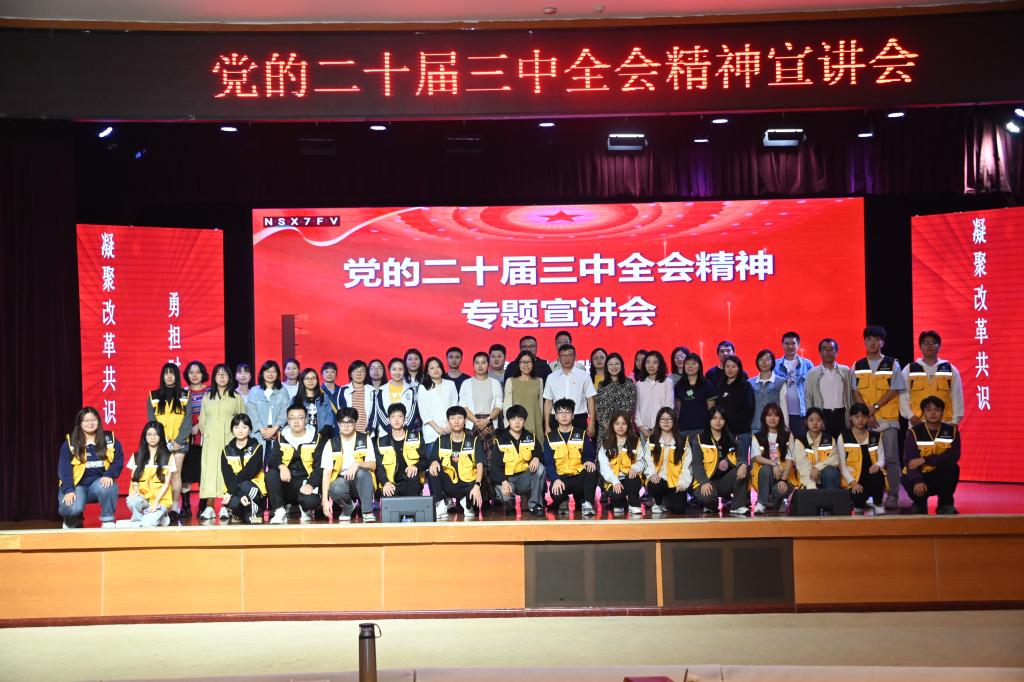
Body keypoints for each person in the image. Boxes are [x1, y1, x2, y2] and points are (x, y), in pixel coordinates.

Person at [852, 325, 906, 509]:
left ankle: (893, 495)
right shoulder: (857, 365)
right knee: (868, 459)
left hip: (888, 420)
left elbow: (894, 389)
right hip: (865, 422)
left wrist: (874, 408)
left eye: (876, 339)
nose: (872, 343)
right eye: (868, 339)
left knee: (891, 459)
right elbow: (855, 392)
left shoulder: (892, 364)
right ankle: (872, 493)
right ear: (864, 342)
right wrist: (866, 415)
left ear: (882, 342)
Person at [58, 407, 124, 529]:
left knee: (109, 485)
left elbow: (118, 460)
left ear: (98, 421)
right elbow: (64, 469)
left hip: (98, 486)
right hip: (76, 487)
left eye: (93, 420)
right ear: (80, 423)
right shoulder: (70, 443)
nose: (90, 423)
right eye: (86, 420)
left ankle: (107, 520)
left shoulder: (109, 439)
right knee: (72, 509)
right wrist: (68, 490)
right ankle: (69, 522)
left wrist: (109, 474)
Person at [265, 403, 330, 524]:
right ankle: (279, 511)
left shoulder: (317, 438)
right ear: (288, 420)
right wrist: (282, 467)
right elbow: (273, 459)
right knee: (271, 475)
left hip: (306, 481)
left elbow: (320, 467)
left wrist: (310, 484)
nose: (296, 421)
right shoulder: (282, 437)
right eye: (292, 418)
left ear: (306, 419)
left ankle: (305, 509)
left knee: (310, 501)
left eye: (300, 417)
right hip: (287, 481)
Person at [198, 363, 245, 521]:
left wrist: (237, 437)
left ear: (230, 377)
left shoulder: (236, 397)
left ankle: (225, 506)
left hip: (230, 441)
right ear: (214, 377)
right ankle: (209, 507)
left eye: (225, 374)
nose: (222, 377)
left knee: (228, 473)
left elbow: (242, 419)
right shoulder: (207, 397)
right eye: (219, 374)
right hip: (211, 441)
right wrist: (208, 434)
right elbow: (203, 420)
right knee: (210, 473)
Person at [146, 362, 191, 521]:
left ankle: (174, 507)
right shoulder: (153, 396)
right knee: (161, 475)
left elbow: (188, 421)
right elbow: (152, 421)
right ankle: (158, 506)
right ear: (162, 376)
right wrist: (162, 441)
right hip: (160, 443)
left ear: (177, 376)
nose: (169, 376)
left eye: (172, 373)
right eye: (166, 373)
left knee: (176, 474)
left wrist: (178, 441)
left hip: (180, 443)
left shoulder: (185, 395)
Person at [903, 396, 961, 515]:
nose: (933, 413)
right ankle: (919, 504)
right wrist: (918, 480)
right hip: (918, 475)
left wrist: (925, 459)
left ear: (942, 412)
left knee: (952, 468)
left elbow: (953, 457)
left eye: (937, 409)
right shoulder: (913, 432)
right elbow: (910, 461)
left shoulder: (952, 431)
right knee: (912, 482)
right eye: (928, 410)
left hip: (938, 474)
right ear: (923, 413)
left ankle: (945, 505)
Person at [542, 398, 598, 516]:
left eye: (567, 412)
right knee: (557, 495)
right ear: (555, 416)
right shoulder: (549, 437)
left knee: (592, 470)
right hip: (561, 479)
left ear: (573, 415)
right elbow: (549, 463)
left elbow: (588, 453)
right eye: (560, 412)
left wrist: (588, 460)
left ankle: (587, 503)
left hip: (578, 477)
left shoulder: (581, 434)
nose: (564, 415)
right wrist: (555, 479)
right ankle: (563, 500)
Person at [690, 405, 750, 516]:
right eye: (714, 418)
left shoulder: (732, 438)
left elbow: (741, 454)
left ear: (725, 420)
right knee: (708, 497)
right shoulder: (700, 439)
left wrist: (743, 464)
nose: (718, 421)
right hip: (706, 480)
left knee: (744, 469)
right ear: (709, 420)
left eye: (721, 418)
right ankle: (711, 506)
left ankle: (737, 506)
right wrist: (704, 482)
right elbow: (697, 464)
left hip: (724, 481)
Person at [427, 406, 485, 520]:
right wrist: (433, 462)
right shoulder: (441, 440)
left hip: (468, 485)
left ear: (465, 420)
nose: (456, 421)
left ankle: (466, 502)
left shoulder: (474, 440)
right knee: (432, 470)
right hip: (450, 484)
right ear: (448, 421)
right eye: (453, 418)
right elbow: (433, 459)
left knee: (472, 510)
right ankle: (441, 505)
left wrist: (477, 486)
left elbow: (480, 464)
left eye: (460, 418)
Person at [321, 408, 378, 523]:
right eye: (343, 422)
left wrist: (357, 464)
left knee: (362, 472)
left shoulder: (365, 439)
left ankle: (367, 511)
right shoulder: (331, 443)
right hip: (342, 482)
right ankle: (348, 507)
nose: (346, 425)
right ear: (338, 424)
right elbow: (326, 473)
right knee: (335, 487)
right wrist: (324, 500)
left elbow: (373, 465)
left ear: (355, 423)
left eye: (350, 422)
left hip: (363, 482)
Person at [899, 330, 965, 427]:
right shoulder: (909, 369)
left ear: (939, 346)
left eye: (933, 343)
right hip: (917, 423)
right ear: (920, 346)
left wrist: (955, 421)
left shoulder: (950, 369)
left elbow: (957, 396)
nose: (929, 346)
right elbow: (903, 396)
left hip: (945, 423)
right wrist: (910, 416)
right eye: (925, 342)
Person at [491, 405, 547, 517]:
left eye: (520, 419)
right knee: (505, 495)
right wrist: (503, 481)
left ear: (524, 421)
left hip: (524, 479)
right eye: (513, 419)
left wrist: (536, 457)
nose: (517, 422)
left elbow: (539, 451)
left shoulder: (530, 437)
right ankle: (510, 506)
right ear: (508, 421)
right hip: (508, 480)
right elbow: (495, 466)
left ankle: (535, 505)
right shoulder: (500, 440)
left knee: (540, 468)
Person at [597, 411, 652, 516]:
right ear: (612, 425)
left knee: (632, 478)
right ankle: (619, 503)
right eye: (617, 424)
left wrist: (635, 468)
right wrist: (614, 481)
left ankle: (634, 504)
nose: (620, 427)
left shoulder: (636, 441)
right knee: (617, 499)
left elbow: (642, 460)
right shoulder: (605, 442)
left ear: (628, 425)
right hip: (614, 481)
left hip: (631, 479)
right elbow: (604, 466)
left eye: (624, 423)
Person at [749, 403, 798, 515]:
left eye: (776, 415)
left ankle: (780, 501)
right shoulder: (757, 436)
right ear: (764, 418)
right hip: (764, 476)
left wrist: (783, 480)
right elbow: (757, 457)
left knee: (778, 490)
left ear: (780, 418)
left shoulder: (788, 435)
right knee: (766, 469)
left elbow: (789, 459)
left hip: (785, 476)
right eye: (769, 415)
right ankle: (761, 503)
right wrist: (773, 464)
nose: (773, 418)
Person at [839, 403, 888, 515]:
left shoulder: (876, 436)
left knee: (877, 474)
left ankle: (878, 503)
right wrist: (853, 482)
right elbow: (842, 465)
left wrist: (877, 465)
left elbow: (882, 459)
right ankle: (859, 503)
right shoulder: (843, 437)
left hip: (871, 477)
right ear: (851, 418)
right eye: (857, 417)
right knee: (859, 502)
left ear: (868, 418)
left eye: (864, 417)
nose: (860, 420)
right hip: (854, 479)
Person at [124, 421, 174, 528]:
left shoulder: (168, 456)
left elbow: (166, 484)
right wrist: (135, 490)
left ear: (161, 436)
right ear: (145, 436)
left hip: (160, 501)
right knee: (132, 500)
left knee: (147, 523)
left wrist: (156, 502)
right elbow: (134, 479)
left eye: (156, 434)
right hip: (144, 500)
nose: (152, 437)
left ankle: (160, 516)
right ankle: (139, 519)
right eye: (149, 434)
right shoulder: (136, 456)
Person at [220, 413, 266, 524]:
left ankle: (256, 513)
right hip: (236, 489)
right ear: (232, 429)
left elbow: (248, 473)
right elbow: (228, 477)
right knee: (233, 504)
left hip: (254, 487)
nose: (240, 430)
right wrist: (239, 494)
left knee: (245, 484)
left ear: (249, 429)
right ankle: (239, 513)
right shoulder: (226, 450)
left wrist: (232, 491)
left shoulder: (257, 448)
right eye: (236, 427)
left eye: (244, 427)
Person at [542, 344, 597, 437]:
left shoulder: (584, 376)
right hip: (556, 419)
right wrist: (547, 426)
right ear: (559, 358)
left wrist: (592, 423)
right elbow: (548, 402)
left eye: (569, 355)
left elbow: (590, 399)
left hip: (578, 419)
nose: (566, 358)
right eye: (563, 356)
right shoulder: (551, 377)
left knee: (580, 446)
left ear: (575, 357)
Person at [376, 403, 428, 501]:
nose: (396, 420)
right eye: (393, 417)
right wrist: (385, 482)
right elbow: (379, 468)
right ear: (388, 420)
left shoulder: (416, 437)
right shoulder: (381, 442)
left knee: (412, 477)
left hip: (411, 483)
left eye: (400, 416)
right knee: (389, 499)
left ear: (405, 419)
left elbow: (425, 461)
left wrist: (416, 466)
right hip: (391, 485)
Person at [804, 338, 854, 439]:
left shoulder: (845, 371)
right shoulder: (812, 373)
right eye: (824, 349)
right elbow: (808, 398)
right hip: (822, 415)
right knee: (825, 445)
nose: (828, 352)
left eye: (831, 349)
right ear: (820, 352)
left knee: (843, 445)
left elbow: (851, 395)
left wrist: (852, 415)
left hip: (842, 414)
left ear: (837, 352)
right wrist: (812, 419)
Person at [459, 351, 503, 462]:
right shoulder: (466, 383)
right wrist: (477, 421)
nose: (480, 365)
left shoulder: (495, 383)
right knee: (473, 458)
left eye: (483, 362)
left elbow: (499, 406)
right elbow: (463, 406)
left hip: (490, 423)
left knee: (491, 457)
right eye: (477, 362)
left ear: (488, 364)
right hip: (472, 423)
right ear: (473, 365)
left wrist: (487, 420)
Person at [647, 408, 692, 515]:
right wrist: (652, 474)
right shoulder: (652, 439)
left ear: (674, 421)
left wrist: (683, 483)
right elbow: (647, 460)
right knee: (654, 485)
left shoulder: (683, 441)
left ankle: (667, 499)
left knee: (678, 509)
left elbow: (687, 466)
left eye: (669, 419)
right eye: (663, 419)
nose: (666, 422)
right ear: (658, 421)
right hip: (659, 481)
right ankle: (658, 502)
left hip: (676, 483)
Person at [181, 360, 209, 518]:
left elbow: (212, 413)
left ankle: (203, 505)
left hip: (205, 438)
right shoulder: (183, 392)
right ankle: (185, 506)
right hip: (186, 438)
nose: (195, 375)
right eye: (191, 372)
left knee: (203, 473)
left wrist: (199, 425)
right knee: (186, 474)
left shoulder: (210, 392)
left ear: (203, 373)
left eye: (198, 372)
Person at [774, 332, 814, 440]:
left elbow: (813, 389)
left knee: (800, 444)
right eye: (787, 343)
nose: (790, 346)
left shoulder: (807, 364)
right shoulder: (775, 365)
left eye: (793, 343)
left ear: (798, 345)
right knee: (783, 444)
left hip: (801, 413)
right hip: (781, 413)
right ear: (782, 345)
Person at [716, 355, 755, 466]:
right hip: (723, 432)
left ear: (739, 368)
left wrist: (734, 425)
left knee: (741, 464)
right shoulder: (720, 386)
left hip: (741, 432)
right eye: (727, 366)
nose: (730, 369)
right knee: (724, 464)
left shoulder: (745, 385)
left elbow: (748, 409)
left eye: (733, 366)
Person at [792, 408, 841, 490]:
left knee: (831, 472)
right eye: (811, 420)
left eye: (818, 420)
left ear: (823, 422)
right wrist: (812, 489)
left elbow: (835, 460)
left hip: (826, 480)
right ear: (806, 422)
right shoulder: (799, 441)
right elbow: (803, 468)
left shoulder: (830, 440)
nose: (815, 423)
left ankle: (831, 497)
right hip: (807, 482)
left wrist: (817, 467)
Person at [594, 352, 637, 444]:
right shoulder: (601, 385)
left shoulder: (629, 383)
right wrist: (608, 426)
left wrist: (618, 426)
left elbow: (630, 407)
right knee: (605, 452)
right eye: (610, 364)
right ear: (606, 367)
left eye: (617, 364)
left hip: (623, 428)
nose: (614, 367)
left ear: (621, 365)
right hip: (605, 430)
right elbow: (598, 409)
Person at [245, 360, 290, 447]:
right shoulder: (254, 391)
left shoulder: (283, 391)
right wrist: (262, 430)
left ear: (277, 374)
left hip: (277, 434)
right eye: (267, 371)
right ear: (262, 373)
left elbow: (285, 412)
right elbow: (252, 412)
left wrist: (274, 429)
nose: (270, 374)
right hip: (258, 434)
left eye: (273, 371)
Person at [503, 351, 545, 441]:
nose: (526, 365)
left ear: (533, 364)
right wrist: (508, 425)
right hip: (516, 423)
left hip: (535, 422)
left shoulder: (539, 381)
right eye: (523, 362)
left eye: (529, 362)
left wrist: (540, 423)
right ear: (518, 364)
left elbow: (540, 405)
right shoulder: (510, 381)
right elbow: (507, 406)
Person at [674, 352, 716, 440]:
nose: (690, 366)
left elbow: (711, 410)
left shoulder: (707, 385)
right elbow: (678, 410)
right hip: (683, 429)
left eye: (693, 363)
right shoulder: (679, 386)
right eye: (687, 363)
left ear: (699, 366)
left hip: (702, 429)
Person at [417, 357, 459, 446]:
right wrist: (437, 428)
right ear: (427, 372)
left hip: (450, 427)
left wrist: (449, 425)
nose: (436, 369)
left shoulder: (450, 384)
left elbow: (455, 405)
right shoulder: (423, 387)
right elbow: (424, 412)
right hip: (432, 430)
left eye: (438, 367)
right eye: (432, 368)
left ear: (442, 369)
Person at [634, 350, 675, 440]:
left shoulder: (667, 382)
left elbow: (669, 407)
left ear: (660, 365)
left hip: (663, 429)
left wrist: (656, 429)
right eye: (648, 362)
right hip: (644, 430)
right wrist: (641, 428)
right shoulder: (639, 384)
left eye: (655, 362)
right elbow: (636, 409)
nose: (651, 365)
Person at [371, 358, 416, 437]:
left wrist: (404, 429)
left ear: (404, 370)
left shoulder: (410, 390)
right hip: (386, 434)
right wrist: (390, 430)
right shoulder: (382, 390)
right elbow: (381, 413)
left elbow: (412, 412)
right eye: (394, 369)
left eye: (400, 369)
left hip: (406, 433)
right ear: (389, 371)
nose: (397, 372)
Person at [750, 349, 789, 432]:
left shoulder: (781, 382)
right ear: (757, 362)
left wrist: (786, 427)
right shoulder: (750, 383)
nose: (764, 362)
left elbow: (784, 406)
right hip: (755, 428)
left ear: (773, 362)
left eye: (767, 359)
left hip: (774, 428)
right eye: (761, 360)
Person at [295, 368, 336, 437]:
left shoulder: (324, 397)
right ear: (302, 381)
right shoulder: (296, 399)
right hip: (302, 437)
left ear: (317, 380)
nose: (310, 381)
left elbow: (330, 417)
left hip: (323, 436)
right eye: (307, 378)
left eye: (313, 378)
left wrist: (322, 434)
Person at [340, 360, 372, 432]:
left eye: (362, 371)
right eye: (355, 371)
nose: (359, 374)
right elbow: (342, 412)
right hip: (348, 432)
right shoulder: (344, 389)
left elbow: (374, 413)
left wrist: (370, 429)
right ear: (350, 374)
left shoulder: (372, 390)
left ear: (366, 374)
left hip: (367, 432)